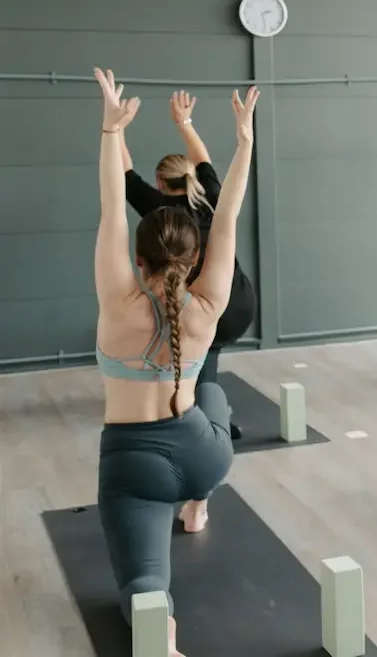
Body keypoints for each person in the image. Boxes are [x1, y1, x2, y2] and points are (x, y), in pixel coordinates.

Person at [93, 70, 257, 657]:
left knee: (143, 585)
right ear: (193, 260)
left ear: (139, 261)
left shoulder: (119, 304)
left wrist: (112, 131)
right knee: (213, 395)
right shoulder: (207, 305)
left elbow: (113, 209)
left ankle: (162, 642)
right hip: (205, 455)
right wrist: (244, 142)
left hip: (135, 466)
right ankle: (198, 504)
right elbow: (228, 214)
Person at [120, 90, 257, 440]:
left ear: (160, 182)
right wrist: (184, 123)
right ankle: (208, 410)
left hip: (206, 310)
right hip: (240, 304)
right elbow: (204, 159)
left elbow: (125, 173)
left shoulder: (160, 211)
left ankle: (207, 425)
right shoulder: (212, 196)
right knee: (204, 350)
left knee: (198, 349)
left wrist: (115, 130)